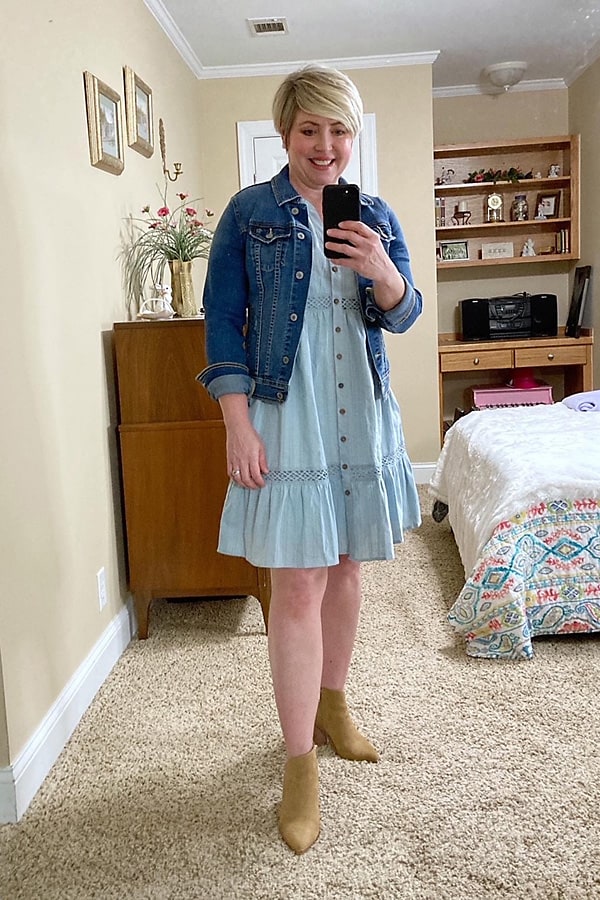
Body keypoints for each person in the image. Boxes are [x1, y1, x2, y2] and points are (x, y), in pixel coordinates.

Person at [197, 65, 423, 854]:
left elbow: (404, 314)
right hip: (284, 413)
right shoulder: (249, 213)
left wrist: (384, 273)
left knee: (351, 570)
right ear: (285, 132)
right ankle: (299, 763)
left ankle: (334, 703)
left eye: (340, 131)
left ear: (352, 137)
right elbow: (222, 319)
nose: (326, 146)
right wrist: (236, 422)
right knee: (297, 584)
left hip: (360, 413)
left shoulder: (377, 213)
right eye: (309, 130)